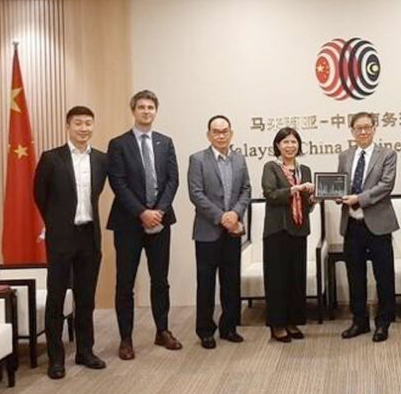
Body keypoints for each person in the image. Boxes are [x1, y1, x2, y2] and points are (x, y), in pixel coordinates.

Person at [33, 106, 107, 379]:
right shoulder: (51, 158)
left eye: (88, 123)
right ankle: (56, 359)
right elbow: (40, 195)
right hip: (61, 237)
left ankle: (85, 351)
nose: (84, 128)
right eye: (78, 123)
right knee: (56, 297)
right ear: (68, 126)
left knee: (85, 298)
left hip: (89, 236)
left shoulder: (101, 159)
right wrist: (56, 222)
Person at [107, 90, 181, 360]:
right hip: (128, 223)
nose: (146, 111)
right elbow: (118, 182)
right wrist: (141, 212)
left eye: (151, 107)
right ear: (133, 111)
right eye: (141, 107)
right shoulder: (118, 144)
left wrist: (158, 211)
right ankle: (126, 339)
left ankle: (162, 331)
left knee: (160, 280)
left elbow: (173, 180)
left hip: (160, 221)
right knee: (125, 282)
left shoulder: (165, 142)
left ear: (155, 111)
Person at [188, 115, 251, 349]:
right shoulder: (197, 159)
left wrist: (235, 213)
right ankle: (205, 330)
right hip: (207, 232)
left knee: (230, 282)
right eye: (216, 131)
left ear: (231, 134)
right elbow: (196, 193)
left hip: (232, 231)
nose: (221, 135)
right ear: (209, 135)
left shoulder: (239, 159)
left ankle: (229, 327)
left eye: (225, 131)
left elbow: (246, 189)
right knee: (206, 283)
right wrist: (221, 217)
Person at [338, 112, 399, 342]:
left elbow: (386, 185)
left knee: (384, 276)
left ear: (374, 128)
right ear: (352, 131)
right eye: (358, 128)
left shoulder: (388, 154)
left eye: (367, 127)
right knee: (355, 276)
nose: (363, 131)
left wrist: (358, 199)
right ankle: (359, 321)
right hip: (352, 225)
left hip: (378, 225)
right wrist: (337, 194)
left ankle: (383, 323)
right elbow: (341, 183)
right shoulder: (345, 155)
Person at [261, 127, 315, 342]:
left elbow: (306, 203)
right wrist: (296, 189)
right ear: (278, 145)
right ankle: (277, 325)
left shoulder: (305, 170)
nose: (290, 146)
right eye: (285, 142)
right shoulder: (271, 167)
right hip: (277, 230)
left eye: (293, 142)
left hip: (299, 229)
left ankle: (293, 321)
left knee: (296, 278)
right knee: (277, 279)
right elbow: (271, 194)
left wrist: (312, 199)